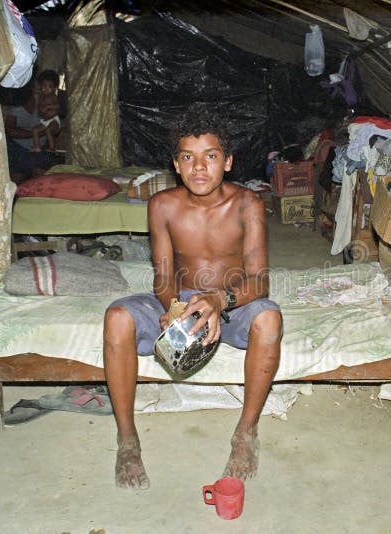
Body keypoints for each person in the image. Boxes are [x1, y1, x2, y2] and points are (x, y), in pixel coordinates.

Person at [102, 106, 283, 490]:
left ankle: (245, 433)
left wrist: (219, 299)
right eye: (188, 157)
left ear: (228, 162)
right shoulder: (163, 206)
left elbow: (260, 280)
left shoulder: (247, 203)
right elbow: (164, 275)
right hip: (182, 302)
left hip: (233, 302)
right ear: (177, 164)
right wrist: (175, 308)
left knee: (269, 318)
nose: (199, 167)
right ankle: (127, 440)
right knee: (117, 316)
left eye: (210, 156)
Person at [2, 69, 62, 183]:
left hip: (40, 149)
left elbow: (54, 124)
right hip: (19, 148)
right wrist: (36, 133)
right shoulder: (16, 108)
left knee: (43, 175)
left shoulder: (44, 99)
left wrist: (48, 130)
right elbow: (10, 131)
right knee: (17, 176)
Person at [30, 70, 61, 152]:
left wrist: (48, 106)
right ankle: (37, 147)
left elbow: (58, 106)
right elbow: (35, 91)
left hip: (53, 119)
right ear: (40, 86)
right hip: (44, 121)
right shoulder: (41, 94)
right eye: (44, 86)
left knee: (48, 131)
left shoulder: (53, 97)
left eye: (50, 87)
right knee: (35, 130)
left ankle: (52, 148)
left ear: (54, 88)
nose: (46, 89)